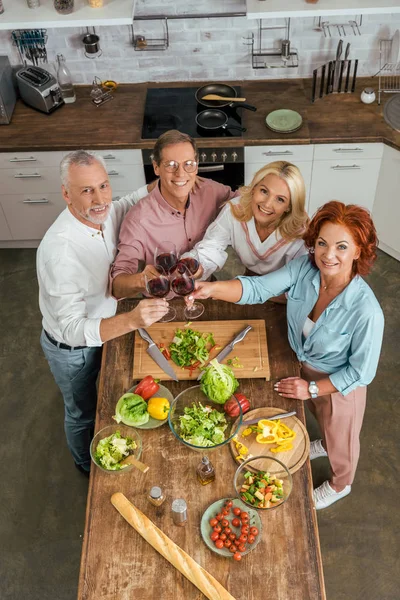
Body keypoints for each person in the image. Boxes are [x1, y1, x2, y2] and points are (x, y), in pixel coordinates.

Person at [190, 201, 384, 510]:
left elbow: (361, 372)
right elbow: (257, 288)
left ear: (358, 251)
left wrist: (312, 389)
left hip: (338, 383)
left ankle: (340, 484)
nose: (328, 254)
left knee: (342, 438)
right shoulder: (304, 269)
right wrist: (210, 290)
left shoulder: (366, 310)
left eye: (341, 247)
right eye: (322, 243)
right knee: (320, 421)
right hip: (301, 363)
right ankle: (323, 443)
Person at [37, 150, 169, 476]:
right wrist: (132, 320)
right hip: (73, 350)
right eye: (87, 190)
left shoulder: (103, 212)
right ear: (66, 194)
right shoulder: (59, 252)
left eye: (104, 186)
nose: (100, 199)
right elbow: (70, 328)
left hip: (107, 325)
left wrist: (171, 178)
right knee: (80, 412)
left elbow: (126, 204)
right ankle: (86, 467)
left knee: (105, 396)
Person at [111, 130, 238, 299]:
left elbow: (241, 201)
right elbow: (117, 287)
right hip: (164, 302)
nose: (181, 173)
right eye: (171, 164)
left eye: (188, 164)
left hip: (203, 290)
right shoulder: (138, 219)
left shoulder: (209, 190)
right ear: (156, 167)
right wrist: (141, 280)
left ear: (196, 165)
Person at [184, 161, 308, 281]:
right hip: (248, 280)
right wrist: (198, 267)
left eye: (280, 199)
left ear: (289, 207)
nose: (267, 204)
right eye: (264, 191)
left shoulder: (300, 233)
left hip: (283, 292)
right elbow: (212, 246)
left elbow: (300, 280)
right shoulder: (235, 209)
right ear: (254, 188)